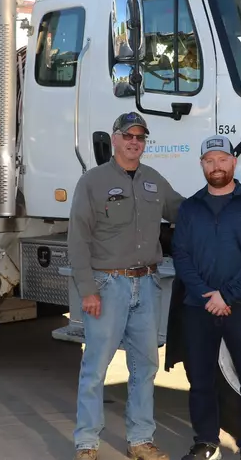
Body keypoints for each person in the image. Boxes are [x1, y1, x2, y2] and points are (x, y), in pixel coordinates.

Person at [68, 111, 185, 460]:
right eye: (128, 136)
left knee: (145, 367)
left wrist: (222, 197)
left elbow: (183, 211)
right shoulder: (92, 181)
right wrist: (87, 289)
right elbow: (78, 239)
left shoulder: (154, 180)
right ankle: (87, 444)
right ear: (115, 139)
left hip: (147, 284)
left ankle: (141, 440)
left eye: (141, 137)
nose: (135, 142)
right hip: (108, 286)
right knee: (95, 368)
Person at [171, 135, 241, 460]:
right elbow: (181, 256)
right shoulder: (190, 208)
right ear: (202, 165)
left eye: (222, 159)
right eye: (209, 160)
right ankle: (206, 442)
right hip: (198, 309)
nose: (216, 166)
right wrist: (206, 296)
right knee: (200, 379)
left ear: (233, 162)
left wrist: (226, 294)